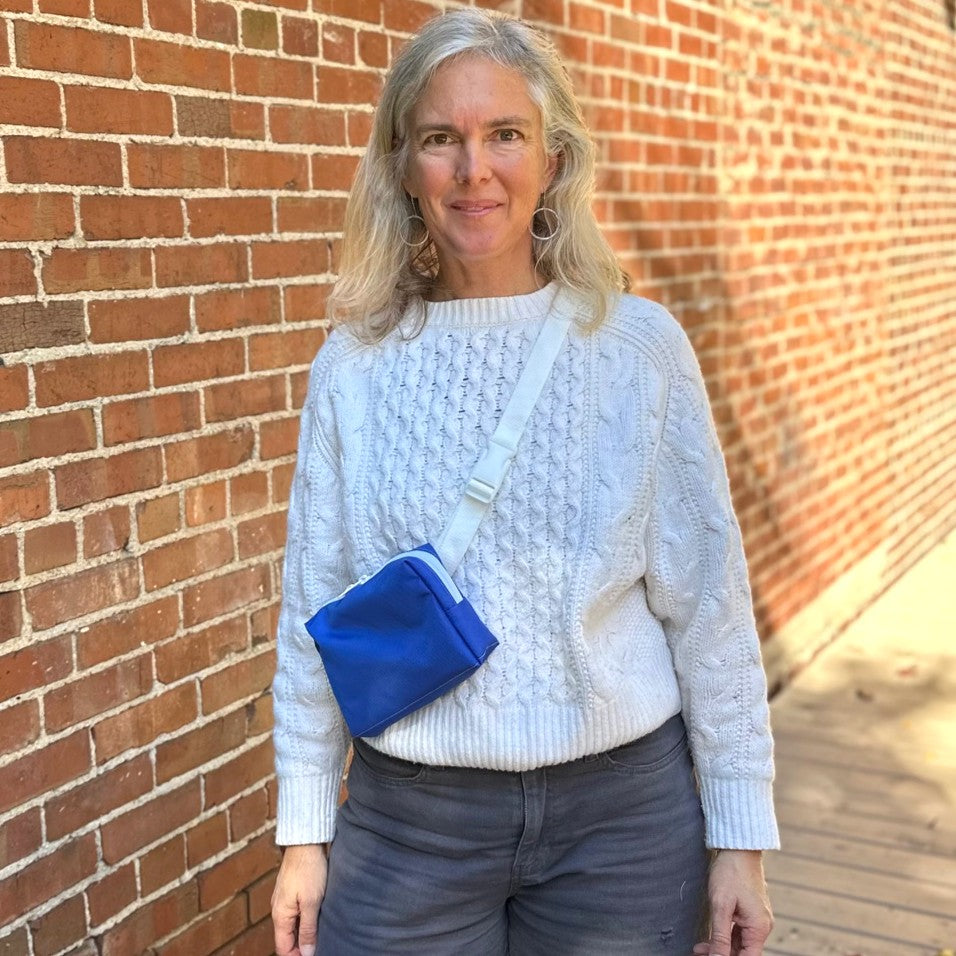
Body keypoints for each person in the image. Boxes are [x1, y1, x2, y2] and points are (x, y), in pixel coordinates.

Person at [271, 9, 779, 955]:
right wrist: (304, 830)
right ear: (402, 166)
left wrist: (740, 835)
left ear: (552, 159)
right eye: (441, 139)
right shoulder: (355, 366)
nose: (475, 170)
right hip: (409, 823)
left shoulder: (638, 350)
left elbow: (710, 606)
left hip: (623, 824)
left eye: (505, 133)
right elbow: (314, 609)